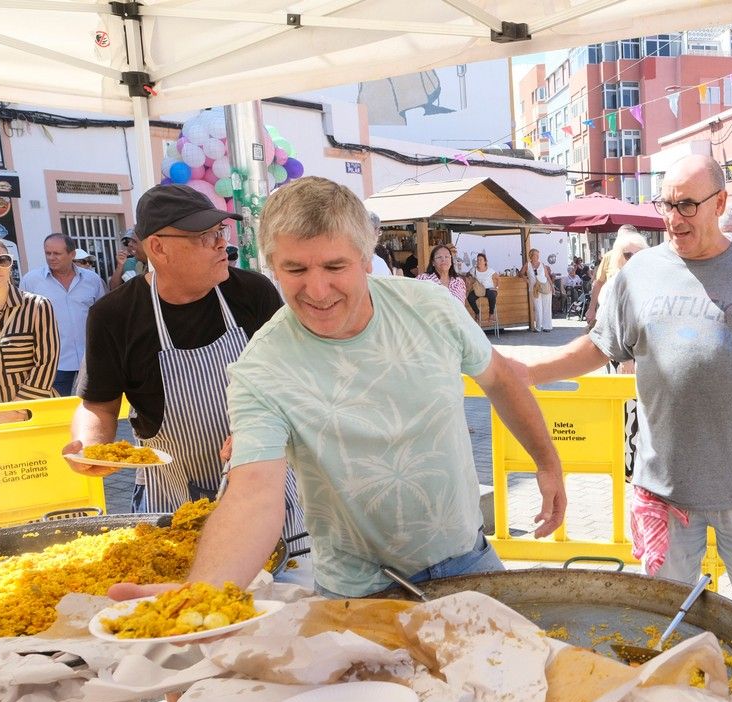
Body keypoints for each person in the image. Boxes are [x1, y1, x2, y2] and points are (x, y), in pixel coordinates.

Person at [107, 177, 564, 601]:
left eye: (334, 265)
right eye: (295, 269)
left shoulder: (430, 308)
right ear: (272, 267)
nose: (317, 288)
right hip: (355, 589)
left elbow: (501, 377)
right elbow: (253, 494)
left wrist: (547, 464)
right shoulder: (262, 366)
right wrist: (200, 593)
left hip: (468, 560)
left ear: (367, 258)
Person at [507, 154, 732, 631]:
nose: (673, 218)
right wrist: (526, 371)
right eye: (666, 205)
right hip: (664, 489)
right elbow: (600, 346)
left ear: (720, 202)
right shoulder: (638, 273)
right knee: (668, 620)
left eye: (686, 205)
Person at [64, 183, 307, 550]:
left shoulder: (252, 293)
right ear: (158, 247)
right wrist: (92, 448)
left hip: (263, 480)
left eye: (220, 232)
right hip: (173, 492)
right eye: (204, 237)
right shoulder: (114, 315)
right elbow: (98, 402)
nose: (221, 244)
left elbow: (296, 376)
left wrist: (266, 425)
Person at [0, 232, 58, 423]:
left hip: (33, 415)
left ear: (10, 264)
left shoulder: (38, 306)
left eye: (2, 260)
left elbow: (46, 363)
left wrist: (18, 411)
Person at [20, 232, 106, 396]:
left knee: (93, 407)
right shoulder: (31, 281)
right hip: (53, 361)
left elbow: (102, 316)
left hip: (90, 359)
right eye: (48, 253)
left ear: (72, 254)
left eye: (57, 253)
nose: (51, 257)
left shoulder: (92, 280)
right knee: (58, 410)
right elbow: (22, 320)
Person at [585, 224, 642, 328]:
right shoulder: (609, 257)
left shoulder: (644, 256)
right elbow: (598, 283)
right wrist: (591, 308)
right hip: (611, 313)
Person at [525, 247, 554, 332]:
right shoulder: (527, 265)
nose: (537, 257)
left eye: (538, 255)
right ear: (531, 256)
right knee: (538, 308)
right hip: (534, 289)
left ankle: (547, 326)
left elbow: (547, 276)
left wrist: (552, 286)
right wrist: (526, 280)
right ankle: (538, 327)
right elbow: (520, 274)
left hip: (545, 287)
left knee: (547, 307)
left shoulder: (542, 264)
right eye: (535, 255)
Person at [468, 252, 499, 323]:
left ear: (485, 261)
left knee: (492, 295)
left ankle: (491, 314)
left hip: (489, 289)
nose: (478, 261)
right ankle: (477, 313)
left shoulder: (490, 270)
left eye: (480, 260)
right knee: (470, 298)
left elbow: (497, 278)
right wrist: (470, 279)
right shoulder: (473, 270)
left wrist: (496, 287)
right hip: (478, 290)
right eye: (477, 260)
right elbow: (468, 275)